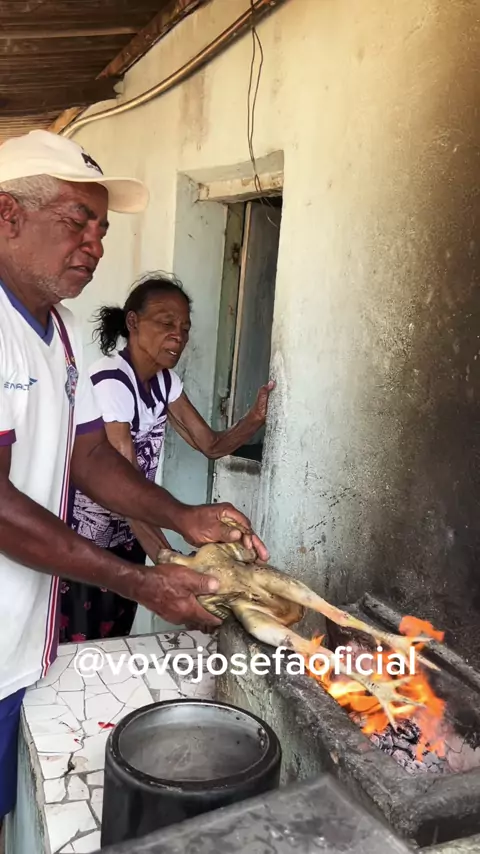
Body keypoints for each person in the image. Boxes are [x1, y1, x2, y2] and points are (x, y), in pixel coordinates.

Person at [0, 129, 267, 825]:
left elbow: (91, 457)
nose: (95, 245)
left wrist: (185, 516)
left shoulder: (57, 331)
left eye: (102, 230)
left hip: (19, 643)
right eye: (77, 222)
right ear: (8, 215)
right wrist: (142, 579)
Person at [60, 273, 275, 641]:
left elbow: (210, 444)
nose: (179, 336)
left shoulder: (165, 382)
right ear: (133, 322)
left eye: (185, 328)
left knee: (113, 640)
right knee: (80, 650)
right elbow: (124, 492)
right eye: (166, 323)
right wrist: (174, 565)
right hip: (84, 543)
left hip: (129, 537)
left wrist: (255, 418)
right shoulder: (111, 381)